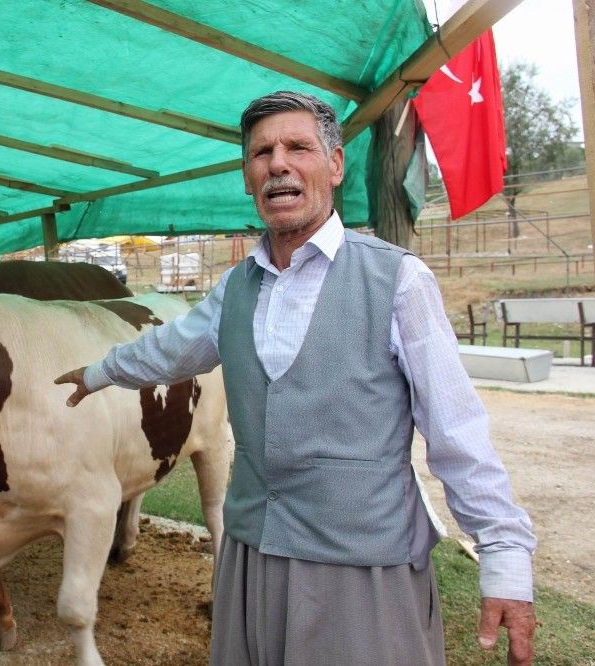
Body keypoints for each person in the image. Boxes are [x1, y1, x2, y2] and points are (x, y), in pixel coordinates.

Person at [55, 91, 536, 665]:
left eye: (298, 148)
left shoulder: (398, 281)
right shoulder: (237, 287)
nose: (278, 163)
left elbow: (456, 429)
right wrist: (98, 372)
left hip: (363, 567)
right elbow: (171, 350)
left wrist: (504, 557)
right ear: (247, 177)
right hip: (253, 555)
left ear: (335, 165)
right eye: (262, 153)